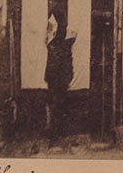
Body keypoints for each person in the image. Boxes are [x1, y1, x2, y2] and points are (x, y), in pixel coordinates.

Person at [45, 9, 76, 147]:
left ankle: (55, 136)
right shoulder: (62, 44)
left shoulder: (57, 44)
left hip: (57, 78)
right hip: (58, 78)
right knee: (57, 105)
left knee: (56, 105)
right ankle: (55, 135)